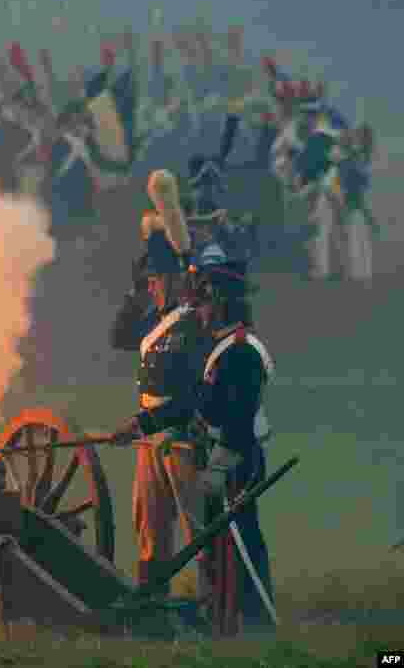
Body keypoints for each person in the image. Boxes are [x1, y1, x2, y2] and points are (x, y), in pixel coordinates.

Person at [107, 170, 210, 595]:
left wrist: (142, 424)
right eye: (147, 281)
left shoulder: (195, 322)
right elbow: (119, 336)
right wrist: (136, 292)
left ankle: (212, 604)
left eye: (154, 280)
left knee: (200, 530)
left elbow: (193, 393)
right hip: (150, 438)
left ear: (175, 279)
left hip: (183, 436)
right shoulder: (154, 320)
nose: (150, 287)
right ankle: (153, 604)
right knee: (150, 527)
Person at [189, 242, 276, 635]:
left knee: (244, 541)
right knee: (225, 541)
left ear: (221, 304)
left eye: (205, 303)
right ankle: (226, 615)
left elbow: (238, 419)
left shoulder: (240, 351)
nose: (200, 311)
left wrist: (219, 467)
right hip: (227, 453)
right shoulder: (225, 347)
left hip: (238, 456)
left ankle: (256, 619)